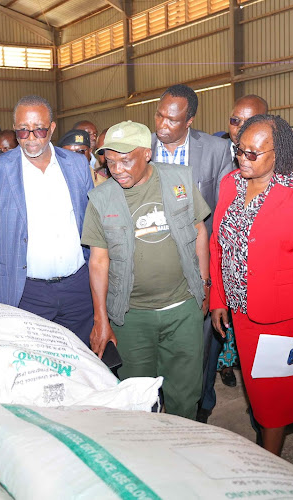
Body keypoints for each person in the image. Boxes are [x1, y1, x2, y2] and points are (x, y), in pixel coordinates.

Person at [210, 114, 293, 456]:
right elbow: (218, 245)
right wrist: (218, 296)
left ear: (278, 154)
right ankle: (265, 442)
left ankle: (269, 460)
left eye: (254, 153)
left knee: (273, 397)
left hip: (282, 314)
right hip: (240, 309)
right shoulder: (229, 183)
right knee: (255, 387)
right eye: (240, 150)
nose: (242, 159)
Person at [82, 121, 211, 420]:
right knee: (136, 399)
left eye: (126, 160)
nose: (117, 169)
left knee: (185, 394)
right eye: (110, 161)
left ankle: (182, 449)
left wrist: (204, 284)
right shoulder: (101, 199)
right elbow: (99, 261)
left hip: (182, 310)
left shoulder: (179, 180)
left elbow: (198, 231)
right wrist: (102, 319)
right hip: (132, 317)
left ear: (147, 153)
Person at [0, 95, 94, 345]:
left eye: (40, 129)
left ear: (53, 128)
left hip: (79, 290)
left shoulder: (77, 165)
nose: (32, 137)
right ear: (15, 131)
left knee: (83, 368)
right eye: (23, 131)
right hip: (26, 293)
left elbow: (94, 229)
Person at [152, 83, 234, 423]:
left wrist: (214, 273)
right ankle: (156, 405)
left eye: (172, 119)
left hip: (199, 264)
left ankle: (198, 407)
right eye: (159, 115)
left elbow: (224, 212)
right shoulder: (142, 147)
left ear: (190, 120)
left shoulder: (215, 150)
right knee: (154, 345)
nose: (162, 125)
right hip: (152, 266)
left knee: (198, 346)